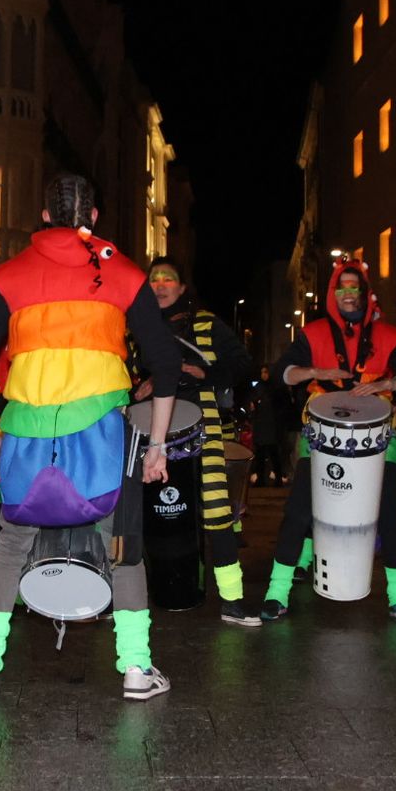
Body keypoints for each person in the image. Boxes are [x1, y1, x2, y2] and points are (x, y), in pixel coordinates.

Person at [0, 173, 182, 701]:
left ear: (43, 214)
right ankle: (135, 669)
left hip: (25, 434)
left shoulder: (9, 274)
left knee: (11, 545)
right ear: (94, 216)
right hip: (100, 434)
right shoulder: (122, 272)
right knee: (122, 546)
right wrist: (157, 445)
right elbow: (165, 361)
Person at [262, 259, 396, 623]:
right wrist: (316, 371)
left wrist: (390, 384)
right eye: (342, 287)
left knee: (389, 514)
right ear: (332, 294)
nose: (348, 294)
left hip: (378, 439)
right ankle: (277, 591)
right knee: (299, 512)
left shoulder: (389, 337)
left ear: (366, 294)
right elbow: (282, 373)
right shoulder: (314, 334)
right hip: (320, 438)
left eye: (355, 287)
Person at [136, 256, 259, 626]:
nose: (160, 284)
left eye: (168, 279)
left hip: (202, 420)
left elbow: (241, 364)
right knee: (147, 512)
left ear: (182, 287)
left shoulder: (206, 322)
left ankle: (233, 599)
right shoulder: (137, 326)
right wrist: (141, 387)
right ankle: (139, 596)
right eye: (154, 278)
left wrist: (203, 372)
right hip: (149, 430)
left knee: (217, 511)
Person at [249, 367, 287, 486]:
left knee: (274, 454)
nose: (264, 375)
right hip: (261, 426)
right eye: (262, 372)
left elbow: (282, 407)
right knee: (260, 455)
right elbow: (251, 405)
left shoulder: (275, 388)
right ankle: (261, 479)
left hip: (272, 427)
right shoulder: (257, 388)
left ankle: (278, 479)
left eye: (266, 372)